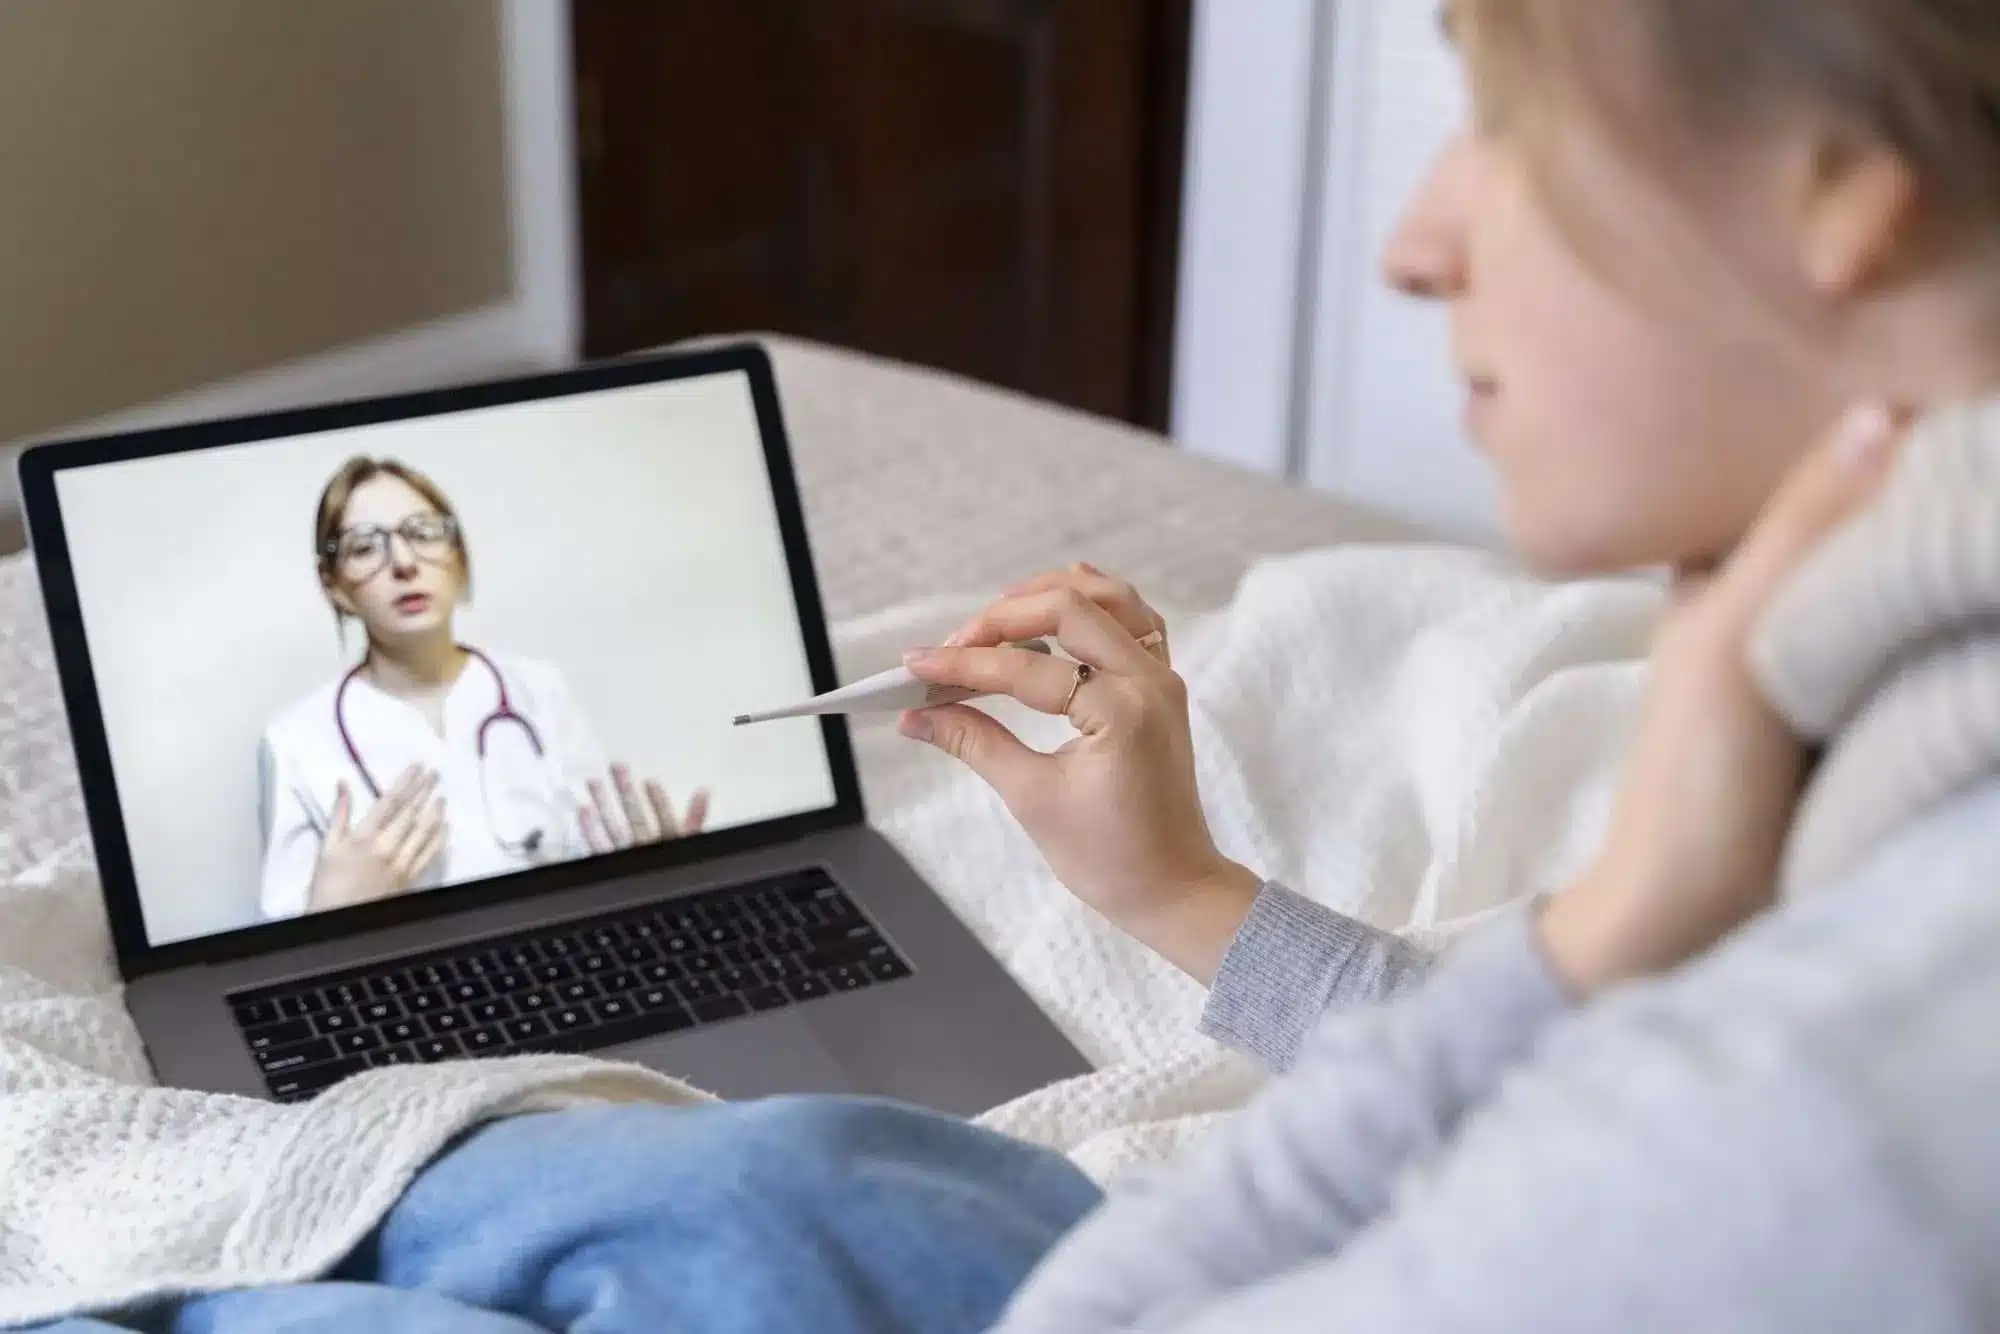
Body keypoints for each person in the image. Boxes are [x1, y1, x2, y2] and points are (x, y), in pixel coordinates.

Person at [34, 0, 2000, 1328]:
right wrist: (1182, 891)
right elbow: (1565, 1104)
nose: (1414, 241)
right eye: (358, 547)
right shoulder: (1877, 704)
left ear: (1840, 190)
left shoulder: (1849, 1080)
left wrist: (1622, 913)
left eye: (1507, 119)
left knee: (748, 1187)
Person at [257, 456, 711, 920]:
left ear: (457, 556)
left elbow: (596, 863)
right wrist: (333, 910)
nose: (404, 562)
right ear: (334, 587)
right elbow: (285, 948)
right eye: (364, 547)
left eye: (423, 533)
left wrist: (656, 876)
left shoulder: (539, 688)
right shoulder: (294, 741)